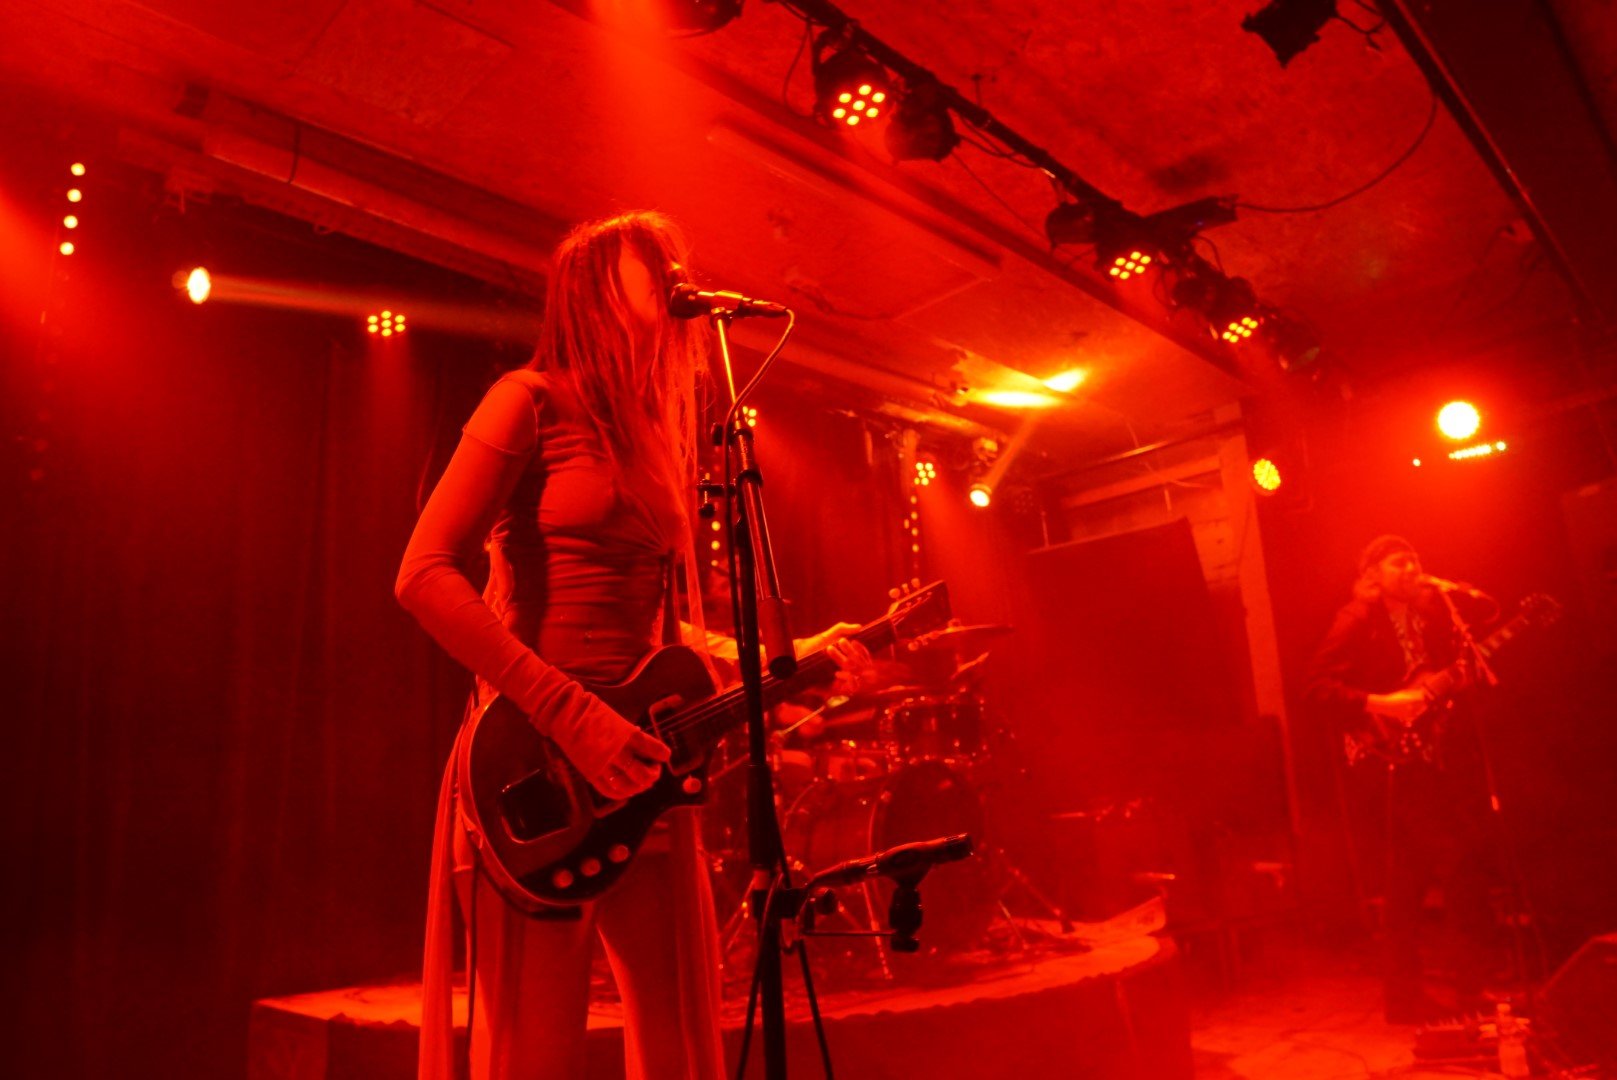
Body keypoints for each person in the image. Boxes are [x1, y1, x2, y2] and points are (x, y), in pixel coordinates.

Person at [396, 211, 865, 1079]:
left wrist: (785, 657)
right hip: (536, 764)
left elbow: (660, 637)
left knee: (679, 1041)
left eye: (672, 258)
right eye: (649, 261)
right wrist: (573, 715)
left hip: (644, 766)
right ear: (592, 286)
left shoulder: (654, 434)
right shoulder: (526, 399)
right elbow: (422, 574)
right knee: (533, 1056)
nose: (672, 272)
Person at [1304, 535, 1498, 1023]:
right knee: (1456, 864)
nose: (1412, 569)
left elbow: (1432, 684)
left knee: (1407, 883)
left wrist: (1457, 682)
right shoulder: (1356, 619)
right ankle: (1465, 990)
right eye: (1399, 563)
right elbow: (1316, 689)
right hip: (1385, 760)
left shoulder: (1431, 617)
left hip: (1427, 758)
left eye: (1416, 561)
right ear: (1373, 574)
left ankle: (1407, 998)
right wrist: (1381, 704)